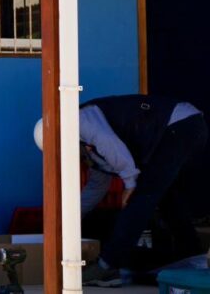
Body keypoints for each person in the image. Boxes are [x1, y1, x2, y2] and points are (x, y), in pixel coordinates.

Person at [34, 94, 207, 287]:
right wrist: (68, 220)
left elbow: (110, 144)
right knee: (164, 195)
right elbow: (97, 186)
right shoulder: (87, 149)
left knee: (141, 196)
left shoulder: (79, 120)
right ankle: (193, 258)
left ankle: (107, 266)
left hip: (179, 125)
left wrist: (130, 183)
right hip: (182, 129)